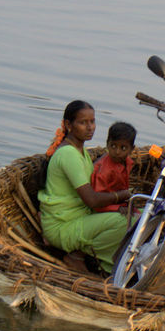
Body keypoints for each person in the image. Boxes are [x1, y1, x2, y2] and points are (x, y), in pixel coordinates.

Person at [38, 101, 132, 274]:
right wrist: (123, 195)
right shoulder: (68, 154)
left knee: (132, 216)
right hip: (63, 226)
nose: (90, 128)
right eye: (83, 122)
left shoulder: (82, 152)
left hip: (77, 218)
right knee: (125, 222)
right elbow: (92, 200)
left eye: (92, 121)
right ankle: (80, 256)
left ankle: (89, 255)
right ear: (68, 125)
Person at [91, 121, 136, 213]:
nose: (117, 152)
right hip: (103, 209)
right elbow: (96, 200)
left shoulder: (128, 163)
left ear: (132, 149)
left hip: (119, 204)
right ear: (107, 144)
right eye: (113, 146)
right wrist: (117, 209)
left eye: (123, 148)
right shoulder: (103, 170)